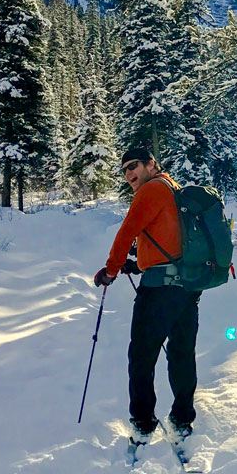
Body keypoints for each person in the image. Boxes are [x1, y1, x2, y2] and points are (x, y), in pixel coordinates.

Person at [94, 147, 201, 441]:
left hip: (158, 292)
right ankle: (182, 418)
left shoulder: (150, 190)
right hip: (187, 288)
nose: (129, 173)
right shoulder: (172, 188)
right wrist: (138, 265)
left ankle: (142, 422)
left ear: (151, 164)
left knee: (142, 356)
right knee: (181, 355)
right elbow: (170, 240)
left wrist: (111, 270)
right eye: (124, 169)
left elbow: (126, 232)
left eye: (134, 166)